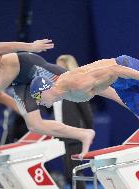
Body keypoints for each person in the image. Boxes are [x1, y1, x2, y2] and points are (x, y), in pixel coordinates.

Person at [0, 39, 95, 158]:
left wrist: (31, 46)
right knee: (35, 125)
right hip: (20, 82)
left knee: (81, 82)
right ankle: (83, 134)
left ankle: (117, 86)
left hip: (28, 66)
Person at [54, 55, 93, 189]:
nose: (56, 69)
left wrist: (87, 133)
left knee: (75, 171)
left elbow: (87, 114)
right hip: (60, 137)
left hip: (75, 136)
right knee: (68, 173)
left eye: (60, 67)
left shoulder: (77, 88)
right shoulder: (55, 88)